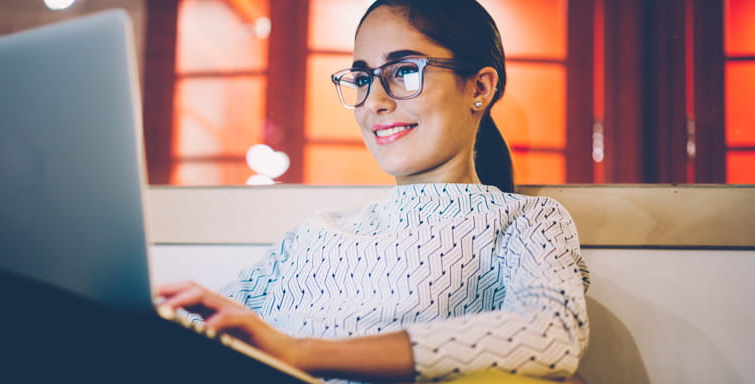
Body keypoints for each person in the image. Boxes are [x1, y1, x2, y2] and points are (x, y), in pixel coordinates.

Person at [156, 0, 591, 383]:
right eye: (363, 78)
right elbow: (197, 335)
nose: (375, 101)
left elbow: (551, 333)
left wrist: (301, 353)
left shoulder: (525, 220)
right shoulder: (314, 235)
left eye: (404, 71)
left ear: (479, 87)